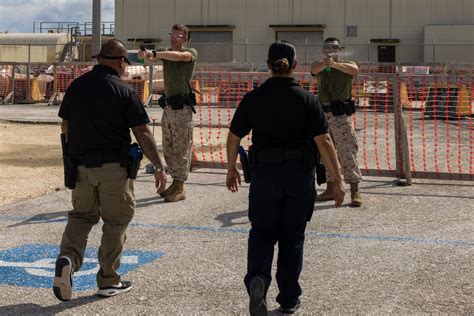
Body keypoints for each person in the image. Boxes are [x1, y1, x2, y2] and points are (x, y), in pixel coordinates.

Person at [226, 41, 345, 315]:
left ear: (268, 65)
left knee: (262, 233)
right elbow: (324, 141)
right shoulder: (306, 99)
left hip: (265, 176)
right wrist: (337, 179)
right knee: (292, 237)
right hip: (298, 176)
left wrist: (231, 167)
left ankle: (258, 278)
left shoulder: (253, 98)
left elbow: (234, 137)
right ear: (294, 66)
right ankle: (289, 298)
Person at [53, 39, 167, 301]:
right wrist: (159, 166)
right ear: (119, 62)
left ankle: (67, 259)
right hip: (114, 169)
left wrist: (71, 160)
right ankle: (108, 280)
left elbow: (65, 127)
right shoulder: (123, 90)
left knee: (81, 217)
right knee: (115, 222)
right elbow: (142, 132)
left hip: (81, 168)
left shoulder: (77, 86)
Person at [138, 24, 198, 203]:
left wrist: (156, 54)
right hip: (169, 107)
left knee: (182, 146)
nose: (174, 37)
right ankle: (175, 182)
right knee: (169, 145)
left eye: (179, 36)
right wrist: (145, 56)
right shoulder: (165, 53)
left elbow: (180, 56)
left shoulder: (191, 53)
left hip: (182, 108)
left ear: (185, 39)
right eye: (172, 34)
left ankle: (180, 185)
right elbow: (149, 59)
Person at [310, 37, 363, 207]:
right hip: (323, 113)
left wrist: (333, 64)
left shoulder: (346, 64)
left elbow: (354, 69)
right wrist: (326, 64)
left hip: (340, 114)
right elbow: (314, 69)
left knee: (347, 151)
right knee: (325, 152)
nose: (330, 50)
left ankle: (355, 190)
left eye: (334, 47)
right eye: (327, 47)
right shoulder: (320, 65)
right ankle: (330, 189)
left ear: (340, 49)